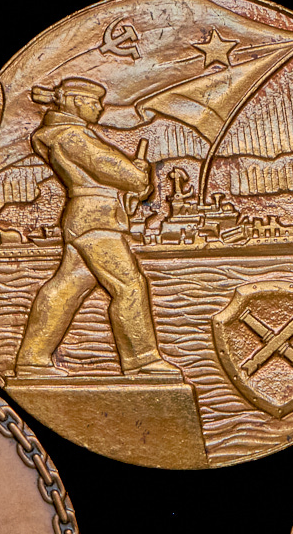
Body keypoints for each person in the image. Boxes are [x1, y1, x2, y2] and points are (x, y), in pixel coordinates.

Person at [13, 77, 177, 378]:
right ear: (75, 102)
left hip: (86, 217)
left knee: (68, 285)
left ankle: (32, 359)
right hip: (97, 220)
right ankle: (142, 361)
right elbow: (118, 172)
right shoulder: (73, 136)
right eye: (93, 102)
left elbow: (116, 178)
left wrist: (136, 181)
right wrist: (139, 175)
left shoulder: (62, 135)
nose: (99, 108)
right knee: (129, 285)